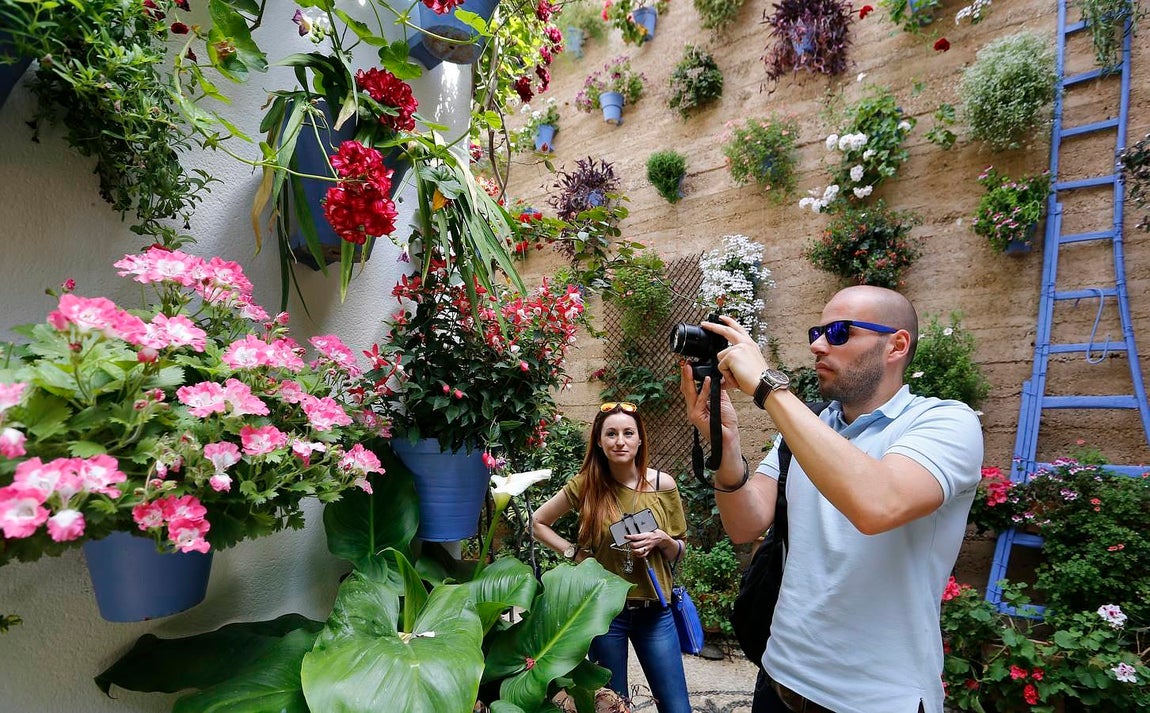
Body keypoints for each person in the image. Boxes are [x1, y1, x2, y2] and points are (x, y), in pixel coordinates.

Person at [680, 285, 983, 713]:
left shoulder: (944, 421)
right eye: (816, 331)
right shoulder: (812, 428)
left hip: (876, 699)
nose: (819, 345)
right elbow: (745, 523)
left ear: (896, 345)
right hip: (780, 679)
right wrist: (725, 446)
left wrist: (768, 388)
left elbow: (878, 504)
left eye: (840, 332)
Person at [532, 401, 692, 713]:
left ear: (640, 439)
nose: (620, 441)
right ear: (599, 441)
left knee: (677, 708)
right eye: (611, 434)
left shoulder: (662, 485)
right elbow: (538, 523)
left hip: (655, 611)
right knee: (612, 707)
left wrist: (662, 540)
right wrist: (577, 555)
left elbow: (680, 548)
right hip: (606, 614)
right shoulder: (587, 486)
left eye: (628, 433)